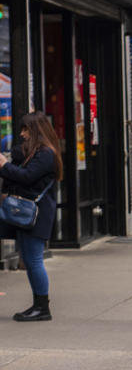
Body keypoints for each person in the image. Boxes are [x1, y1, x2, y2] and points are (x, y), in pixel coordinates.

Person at [0, 113, 63, 322]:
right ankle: (38, 304)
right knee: (29, 258)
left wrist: (4, 166)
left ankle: (42, 307)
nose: (22, 134)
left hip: (36, 214)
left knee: (34, 259)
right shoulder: (38, 152)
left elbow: (27, 177)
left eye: (26, 130)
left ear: (36, 131)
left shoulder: (46, 154)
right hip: (29, 212)